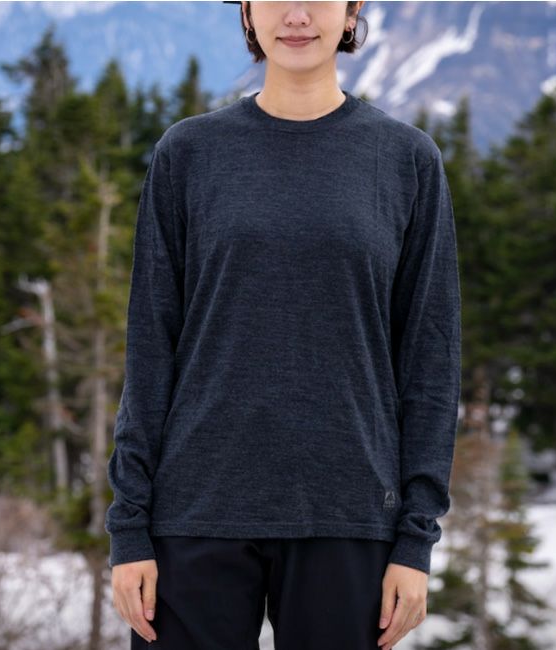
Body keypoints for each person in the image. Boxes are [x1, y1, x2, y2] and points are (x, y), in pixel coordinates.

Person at [105, 2, 462, 649]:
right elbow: (151, 347)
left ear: (353, 10)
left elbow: (430, 364)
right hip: (193, 515)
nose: (296, 14)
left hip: (350, 515)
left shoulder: (406, 160)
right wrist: (129, 526)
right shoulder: (188, 153)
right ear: (246, 10)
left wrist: (416, 539)